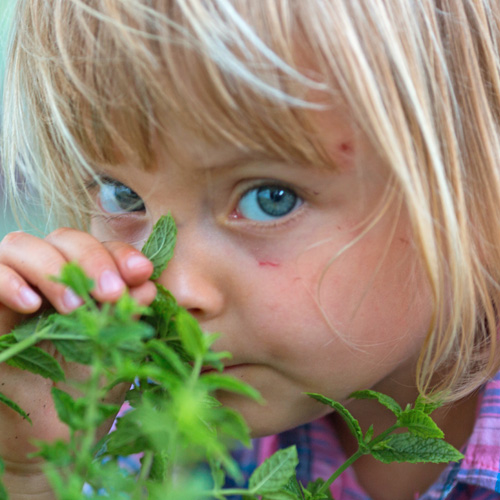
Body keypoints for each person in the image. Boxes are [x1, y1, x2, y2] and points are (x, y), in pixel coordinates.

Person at [1, 1, 500, 498]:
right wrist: (37, 476)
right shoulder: (127, 429)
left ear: (480, 197)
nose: (170, 289)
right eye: (121, 194)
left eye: (270, 198)